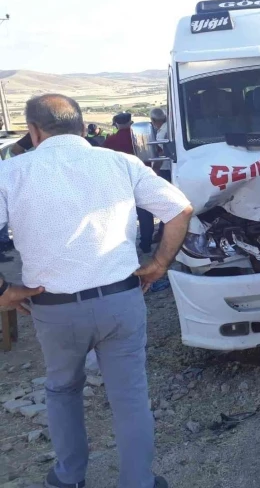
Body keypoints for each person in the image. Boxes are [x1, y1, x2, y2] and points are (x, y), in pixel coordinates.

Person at [0, 94, 192, 488]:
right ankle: (138, 482)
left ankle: (69, 478)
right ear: (83, 126)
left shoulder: (12, 172)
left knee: (62, 390)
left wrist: (4, 290)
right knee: (130, 398)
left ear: (34, 131)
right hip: (121, 300)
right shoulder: (119, 162)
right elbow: (179, 209)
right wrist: (158, 264)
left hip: (54, 308)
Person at [103, 112, 155, 253]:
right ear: (130, 121)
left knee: (124, 214)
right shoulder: (142, 137)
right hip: (142, 178)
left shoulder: (110, 141)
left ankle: (127, 246)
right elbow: (156, 154)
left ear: (117, 124)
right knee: (145, 213)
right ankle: (146, 244)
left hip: (122, 181)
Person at [150, 108, 171, 243]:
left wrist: (155, 170)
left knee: (166, 202)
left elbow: (162, 152)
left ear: (153, 121)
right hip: (171, 168)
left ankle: (164, 233)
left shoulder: (162, 132)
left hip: (166, 169)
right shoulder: (170, 126)